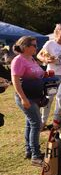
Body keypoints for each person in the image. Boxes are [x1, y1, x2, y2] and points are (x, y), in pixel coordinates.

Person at [10, 36, 45, 166]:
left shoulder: (31, 58)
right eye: (34, 45)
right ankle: (36, 156)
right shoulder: (18, 60)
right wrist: (23, 99)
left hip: (34, 96)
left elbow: (38, 73)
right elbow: (15, 81)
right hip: (25, 97)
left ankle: (29, 150)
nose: (37, 48)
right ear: (25, 47)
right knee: (36, 124)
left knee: (30, 123)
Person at [37, 23, 61, 129]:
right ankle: (42, 122)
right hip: (52, 76)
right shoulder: (50, 43)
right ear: (57, 32)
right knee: (49, 99)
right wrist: (46, 60)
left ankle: (58, 121)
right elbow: (39, 55)